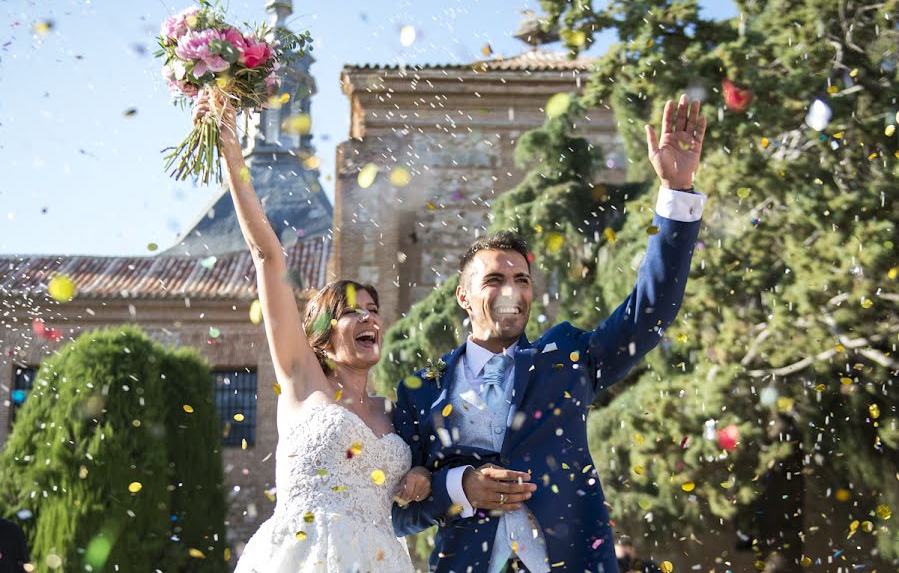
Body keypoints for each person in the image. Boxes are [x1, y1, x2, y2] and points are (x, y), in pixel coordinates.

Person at [391, 94, 708, 572]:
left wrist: (677, 192)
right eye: (494, 279)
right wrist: (460, 488)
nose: (511, 291)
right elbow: (401, 511)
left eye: (521, 279)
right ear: (463, 296)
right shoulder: (419, 390)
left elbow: (650, 312)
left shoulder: (568, 359)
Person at [192, 91, 428, 572]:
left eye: (372, 309)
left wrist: (420, 472)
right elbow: (268, 256)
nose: (368, 318)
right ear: (320, 337)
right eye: (351, 312)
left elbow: (430, 472)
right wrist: (230, 144)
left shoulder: (395, 412)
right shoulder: (303, 381)